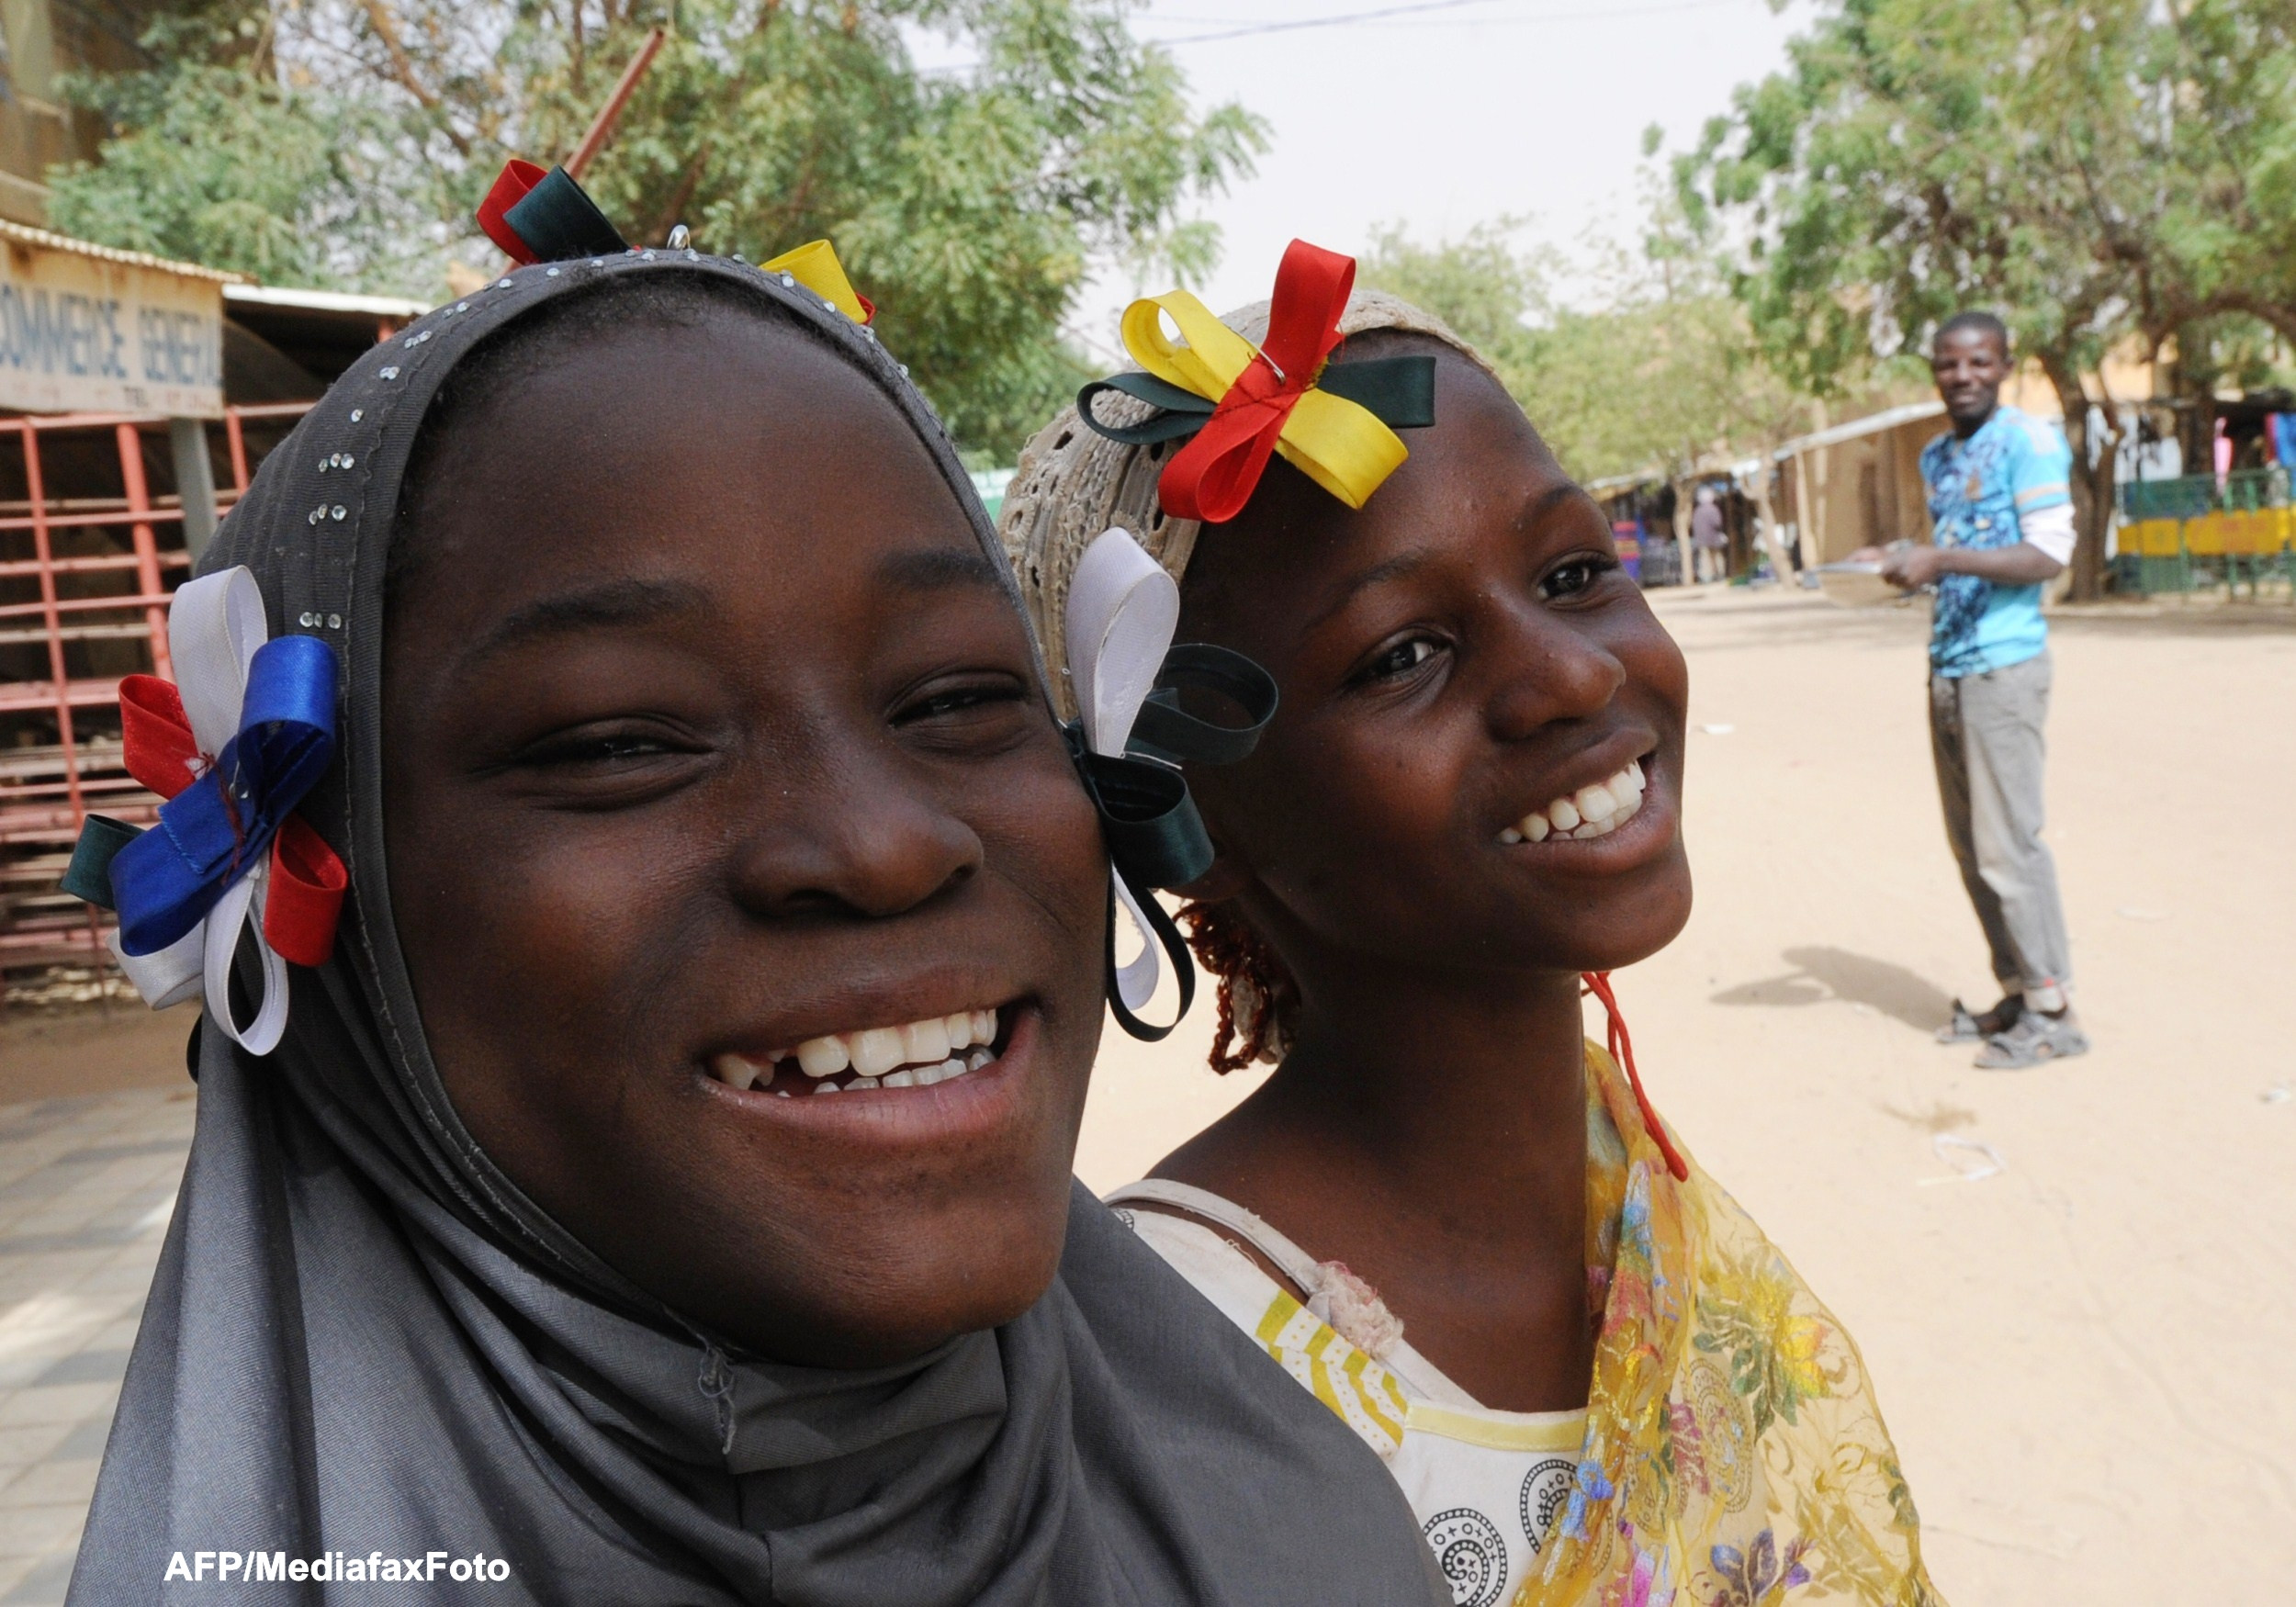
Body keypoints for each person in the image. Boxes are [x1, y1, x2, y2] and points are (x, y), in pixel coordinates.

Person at [60, 210, 1449, 1603]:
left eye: (961, 697)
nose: (884, 841)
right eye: (618, 741)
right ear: (326, 874)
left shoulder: (1294, 1535)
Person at [1000, 242, 1940, 1607]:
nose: (1570, 671)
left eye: (1571, 574)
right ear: (1193, 815)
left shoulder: (1631, 1190)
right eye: (1401, 655)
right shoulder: (1171, 1367)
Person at [1873, 310, 2087, 1070]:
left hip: (2004, 668)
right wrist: (1903, 561)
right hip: (1949, 664)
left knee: (2009, 847)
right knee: (1970, 847)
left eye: (1979, 363)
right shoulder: (1937, 456)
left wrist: (1943, 558)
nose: (1962, 376)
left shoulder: (2029, 441)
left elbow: (2046, 555)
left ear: (2003, 365)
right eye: (1948, 364)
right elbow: (1951, 549)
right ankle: (2019, 993)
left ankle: (2054, 1009)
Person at [1690, 485, 1728, 583]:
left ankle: (1707, 577)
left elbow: (1693, 524)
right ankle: (1720, 574)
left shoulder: (1697, 510)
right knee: (1717, 557)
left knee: (1705, 558)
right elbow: (1718, 523)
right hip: (1714, 537)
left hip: (1701, 539)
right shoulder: (1713, 509)